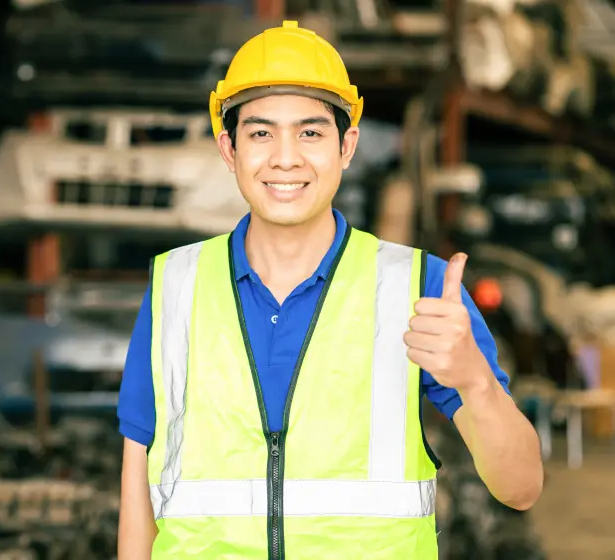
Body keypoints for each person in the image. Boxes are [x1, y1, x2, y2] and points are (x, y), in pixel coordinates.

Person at [116, 21, 543, 560]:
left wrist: (475, 382)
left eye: (311, 132)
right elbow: (138, 490)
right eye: (260, 132)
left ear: (347, 146)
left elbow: (521, 487)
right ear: (228, 149)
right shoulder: (175, 287)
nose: (286, 157)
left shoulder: (419, 288)